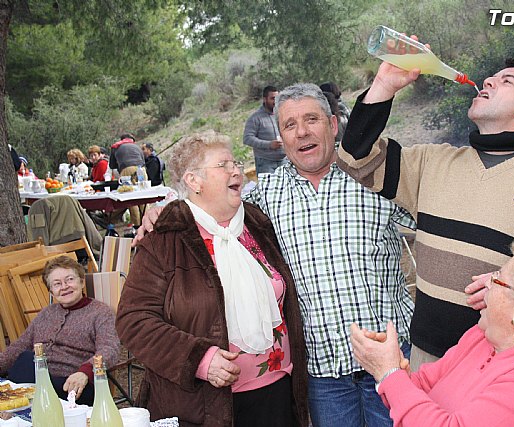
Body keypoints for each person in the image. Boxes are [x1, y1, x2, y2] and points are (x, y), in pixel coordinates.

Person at [136, 83, 415, 427]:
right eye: (289, 125)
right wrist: (164, 211)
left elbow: (432, 214)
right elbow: (208, 205)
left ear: (332, 125)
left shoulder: (374, 178)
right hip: (323, 374)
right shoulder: (265, 196)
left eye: (311, 119)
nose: (302, 132)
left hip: (391, 362)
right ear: (281, 138)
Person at [337, 56, 514, 369]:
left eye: (507, 81)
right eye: (492, 77)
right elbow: (355, 158)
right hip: (427, 359)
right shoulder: (430, 163)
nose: (489, 80)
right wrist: (383, 86)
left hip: (505, 364)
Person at [116, 132, 308, 427]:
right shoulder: (165, 239)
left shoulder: (257, 223)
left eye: (236, 163)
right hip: (207, 405)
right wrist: (199, 359)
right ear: (194, 181)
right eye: (223, 165)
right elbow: (134, 321)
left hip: (278, 392)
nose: (236, 171)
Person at [351, 235, 514, 426]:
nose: (486, 281)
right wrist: (392, 370)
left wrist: (390, 374)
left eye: (497, 278)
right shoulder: (485, 337)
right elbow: (423, 384)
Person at [0, 256, 119, 405]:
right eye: (57, 284)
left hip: (72, 385)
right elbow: (19, 346)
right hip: (36, 379)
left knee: (25, 362)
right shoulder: (46, 313)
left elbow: (110, 348)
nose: (64, 287)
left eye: (70, 280)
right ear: (51, 292)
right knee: (24, 359)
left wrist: (86, 371)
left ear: (81, 282)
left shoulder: (101, 312)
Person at [243, 85, 286, 174]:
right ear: (264, 99)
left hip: (285, 161)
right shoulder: (255, 118)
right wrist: (269, 144)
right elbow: (247, 138)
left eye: (277, 98)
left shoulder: (282, 115)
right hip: (265, 163)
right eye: (272, 98)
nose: (275, 101)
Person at [109, 133, 147, 225]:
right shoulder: (137, 147)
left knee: (130, 198)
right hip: (141, 170)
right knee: (144, 196)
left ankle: (137, 225)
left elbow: (112, 165)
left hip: (127, 170)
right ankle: (147, 223)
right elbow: (143, 160)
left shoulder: (116, 147)